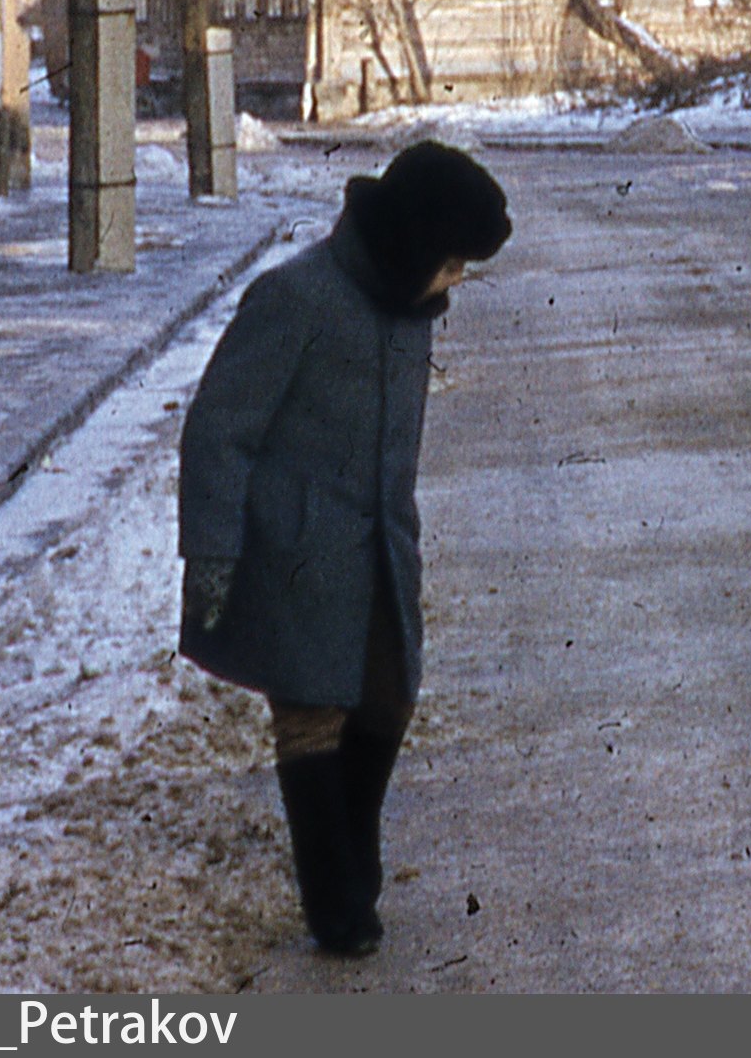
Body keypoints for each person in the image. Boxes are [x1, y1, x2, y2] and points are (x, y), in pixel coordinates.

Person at [178, 137, 514, 957]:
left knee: (388, 698)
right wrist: (213, 552)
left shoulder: (409, 312)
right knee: (310, 716)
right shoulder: (295, 298)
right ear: (410, 244)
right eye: (454, 259)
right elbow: (218, 431)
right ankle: (337, 903)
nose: (459, 279)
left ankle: (348, 869)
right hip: (292, 553)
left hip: (379, 552)